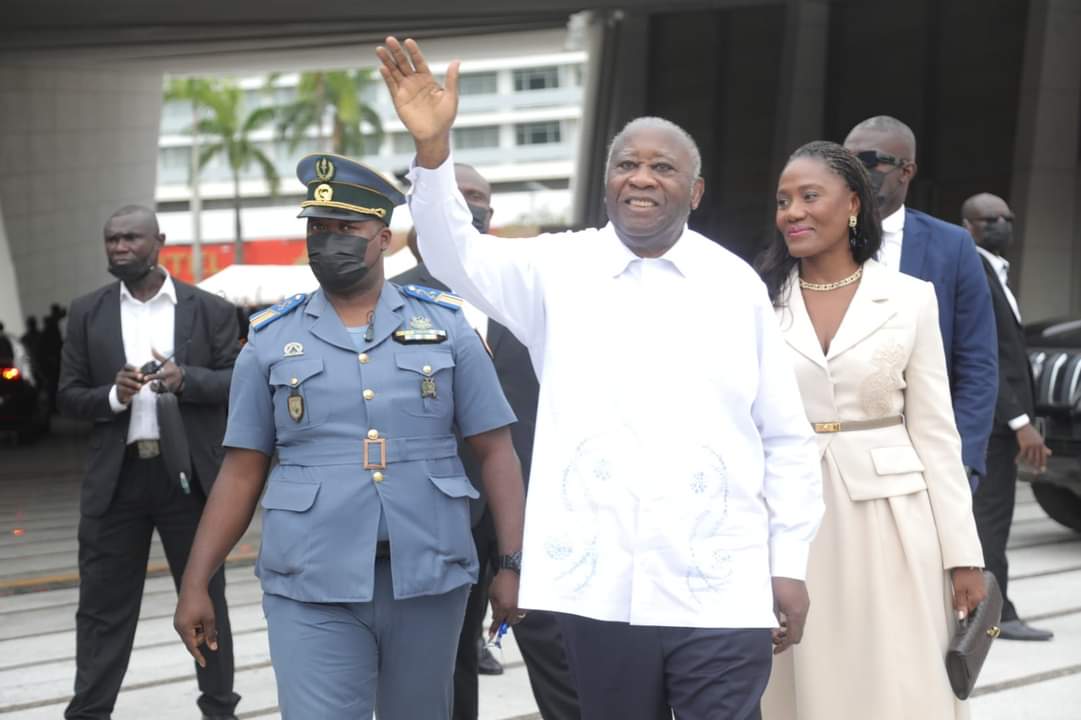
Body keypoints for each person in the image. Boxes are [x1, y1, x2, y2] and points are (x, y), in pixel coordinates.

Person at [378, 37, 823, 719]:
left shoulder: (734, 285)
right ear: (607, 180)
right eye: (626, 164)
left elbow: (784, 437)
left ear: (694, 191)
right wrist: (433, 153)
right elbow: (451, 251)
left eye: (661, 167)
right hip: (596, 590)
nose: (641, 178)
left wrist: (786, 562)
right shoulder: (556, 269)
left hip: (717, 583)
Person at [173, 153, 527, 720]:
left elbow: (496, 451)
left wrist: (511, 563)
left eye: (346, 230)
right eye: (318, 229)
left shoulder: (448, 328)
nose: (328, 242)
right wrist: (196, 582)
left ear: (383, 238)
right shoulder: (268, 340)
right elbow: (240, 472)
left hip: (428, 579)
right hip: (310, 583)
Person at [755, 141, 987, 719]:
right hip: (788, 519)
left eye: (811, 196)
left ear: (853, 204)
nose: (794, 212)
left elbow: (937, 434)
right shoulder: (757, 300)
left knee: (897, 681)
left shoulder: (910, 299)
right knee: (804, 682)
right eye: (784, 200)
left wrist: (964, 554)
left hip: (894, 523)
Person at [393, 164, 581, 720]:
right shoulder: (388, 299)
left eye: (476, 198)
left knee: (555, 646)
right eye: (454, 196)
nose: (466, 205)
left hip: (531, 498)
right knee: (446, 657)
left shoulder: (527, 289)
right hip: (435, 506)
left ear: (490, 216)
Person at [57, 205, 241, 720]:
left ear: (158, 241)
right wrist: (112, 396)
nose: (119, 248)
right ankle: (89, 712)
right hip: (117, 482)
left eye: (130, 239)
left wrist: (188, 381)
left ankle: (219, 708)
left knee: (206, 600)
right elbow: (67, 396)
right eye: (111, 240)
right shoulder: (86, 312)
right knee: (102, 608)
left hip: (189, 480)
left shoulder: (209, 309)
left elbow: (237, 382)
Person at [843, 116, 997, 486]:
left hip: (922, 452)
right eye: (845, 161)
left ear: (906, 171)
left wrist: (963, 460)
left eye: (870, 160)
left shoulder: (952, 246)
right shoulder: (818, 237)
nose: (855, 171)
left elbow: (977, 361)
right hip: (837, 446)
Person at [962, 192, 1054, 642]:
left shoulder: (996, 271)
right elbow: (987, 354)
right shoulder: (975, 270)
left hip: (1001, 423)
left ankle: (986, 607)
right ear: (968, 227)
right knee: (990, 520)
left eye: (1007, 217)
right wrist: (1020, 422)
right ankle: (995, 614)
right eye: (989, 218)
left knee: (989, 518)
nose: (1001, 224)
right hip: (994, 425)